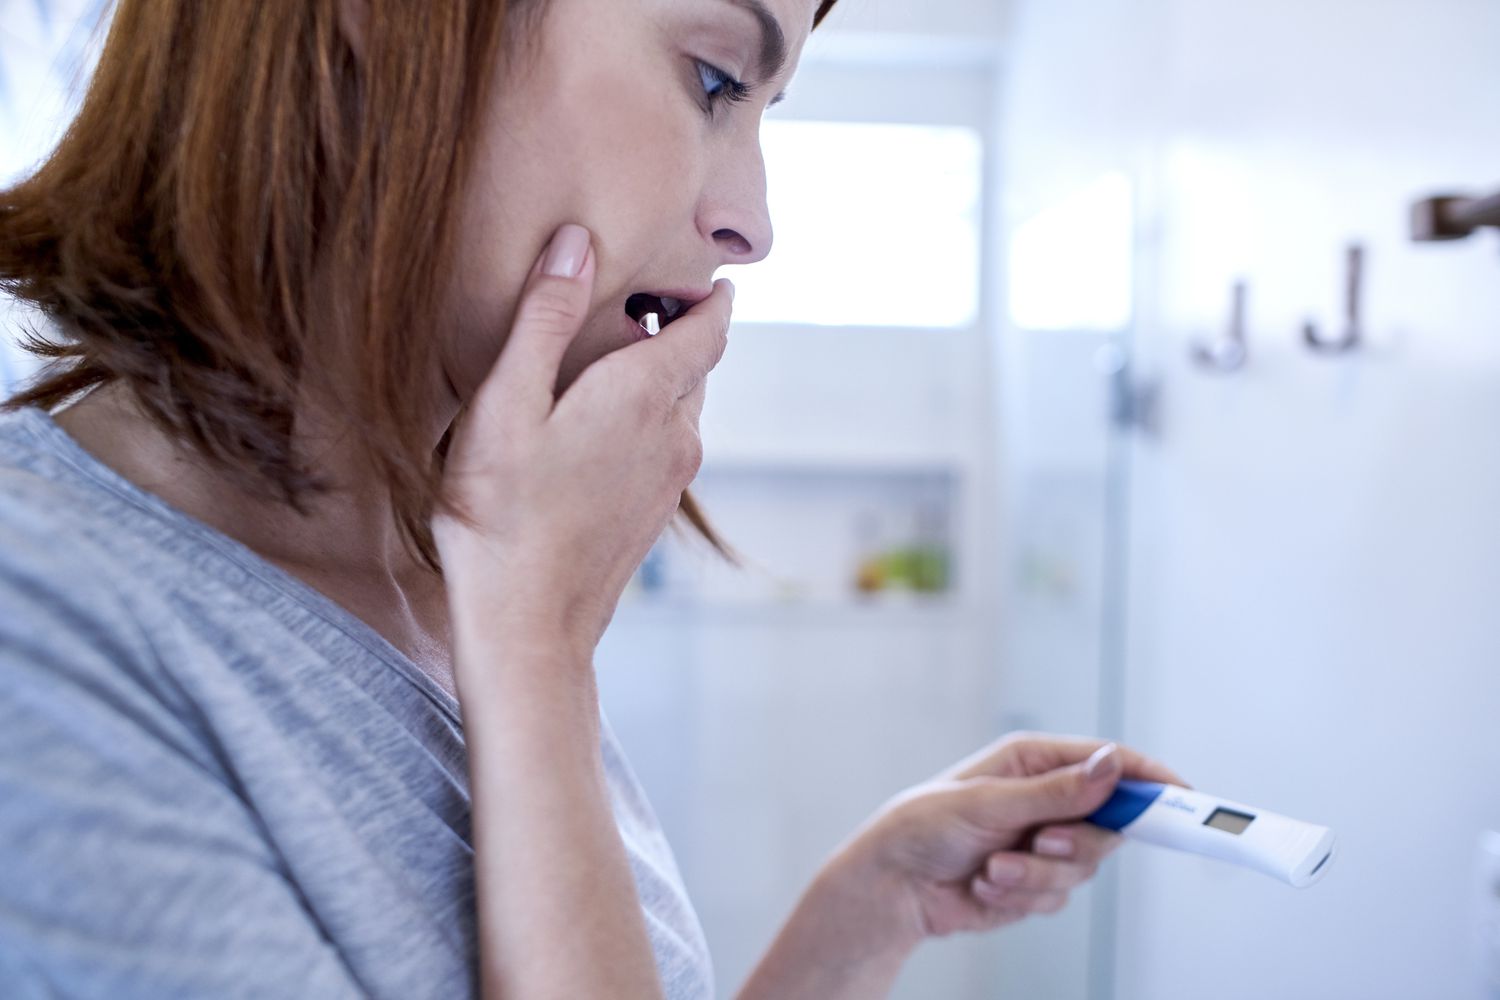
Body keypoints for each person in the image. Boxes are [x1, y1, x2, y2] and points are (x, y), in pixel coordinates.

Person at [0, 0, 1187, 997]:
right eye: (716, 78)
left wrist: (865, 912)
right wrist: (537, 659)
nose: (753, 224)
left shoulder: (456, 558)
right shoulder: (36, 627)